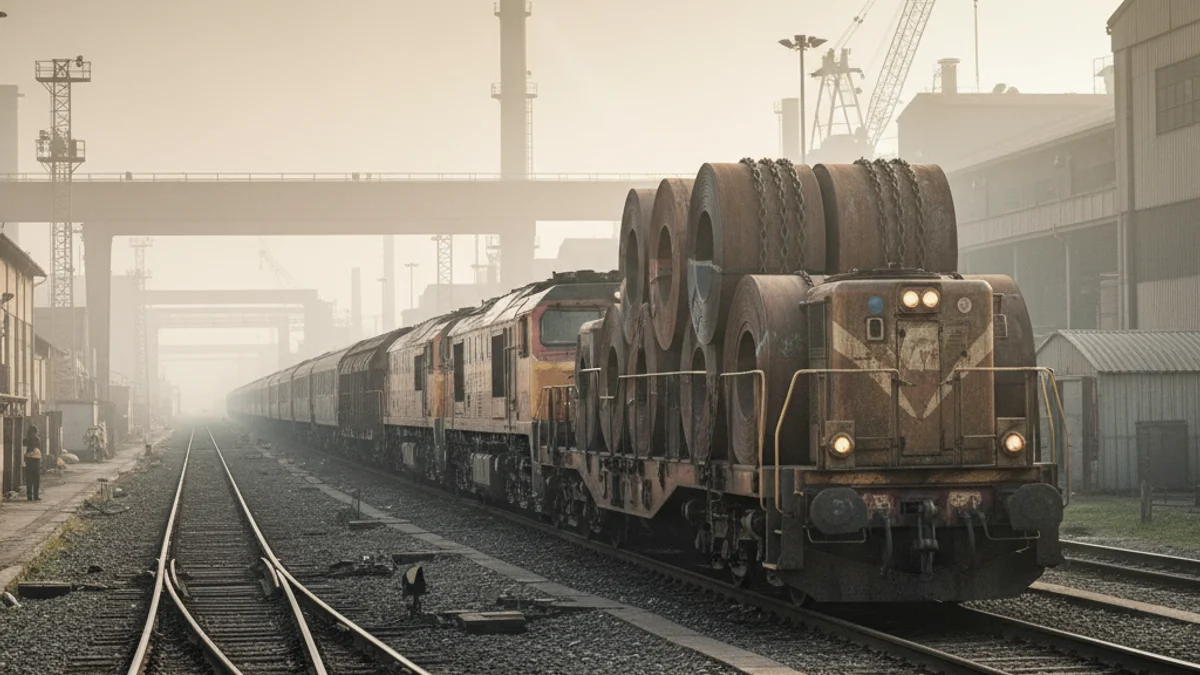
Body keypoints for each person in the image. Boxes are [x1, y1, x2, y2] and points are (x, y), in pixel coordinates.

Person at [23, 425, 42, 501]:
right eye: (34, 432)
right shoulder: (26, 440)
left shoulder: (36, 439)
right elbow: (24, 451)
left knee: (35, 480)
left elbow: (39, 450)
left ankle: (34, 495)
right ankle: (31, 496)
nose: (34, 434)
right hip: (30, 461)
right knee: (31, 480)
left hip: (35, 461)